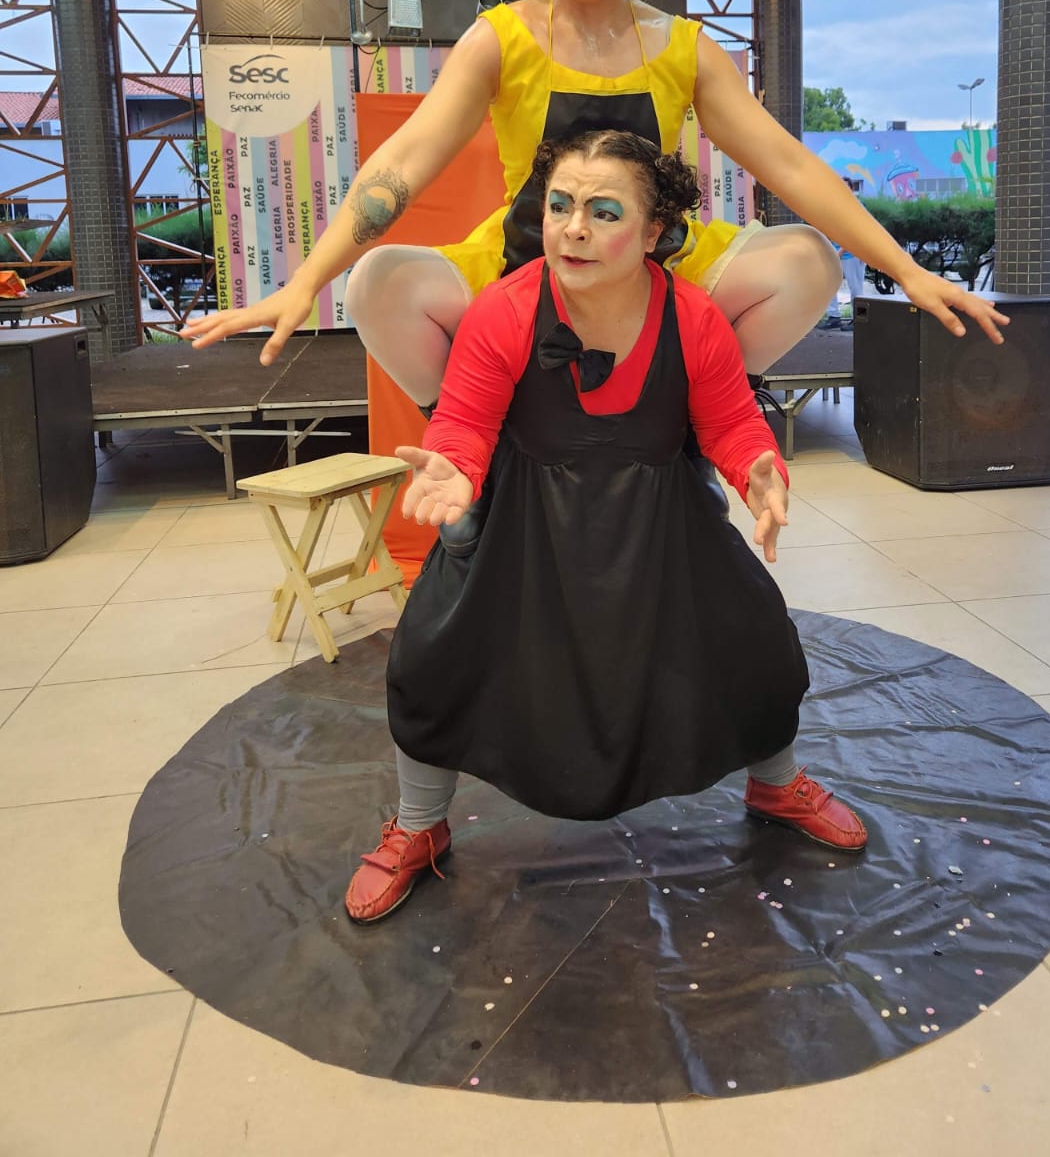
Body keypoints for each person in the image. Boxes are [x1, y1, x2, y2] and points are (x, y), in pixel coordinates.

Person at [183, 0, 1008, 396]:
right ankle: (472, 451)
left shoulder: (684, 47)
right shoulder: (500, 38)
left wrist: (906, 271)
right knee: (380, 286)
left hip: (661, 267)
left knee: (807, 263)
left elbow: (789, 165)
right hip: (524, 267)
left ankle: (696, 408)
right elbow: (400, 166)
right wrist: (306, 282)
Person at [344, 129, 866, 924]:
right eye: (560, 206)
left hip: (662, 522)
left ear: (654, 232)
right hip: (524, 526)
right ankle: (419, 826)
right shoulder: (506, 308)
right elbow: (466, 418)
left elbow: (730, 421)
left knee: (753, 637)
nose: (573, 228)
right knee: (434, 657)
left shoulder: (691, 316)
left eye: (603, 211)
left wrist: (759, 468)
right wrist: (454, 465)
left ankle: (776, 785)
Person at [818, 177, 867, 329]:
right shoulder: (834, 207)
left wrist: (839, 251)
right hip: (836, 251)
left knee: (856, 289)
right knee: (830, 284)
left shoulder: (857, 208)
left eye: (846, 187)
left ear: (852, 189)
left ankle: (858, 320)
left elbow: (856, 234)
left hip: (853, 254)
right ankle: (834, 316)